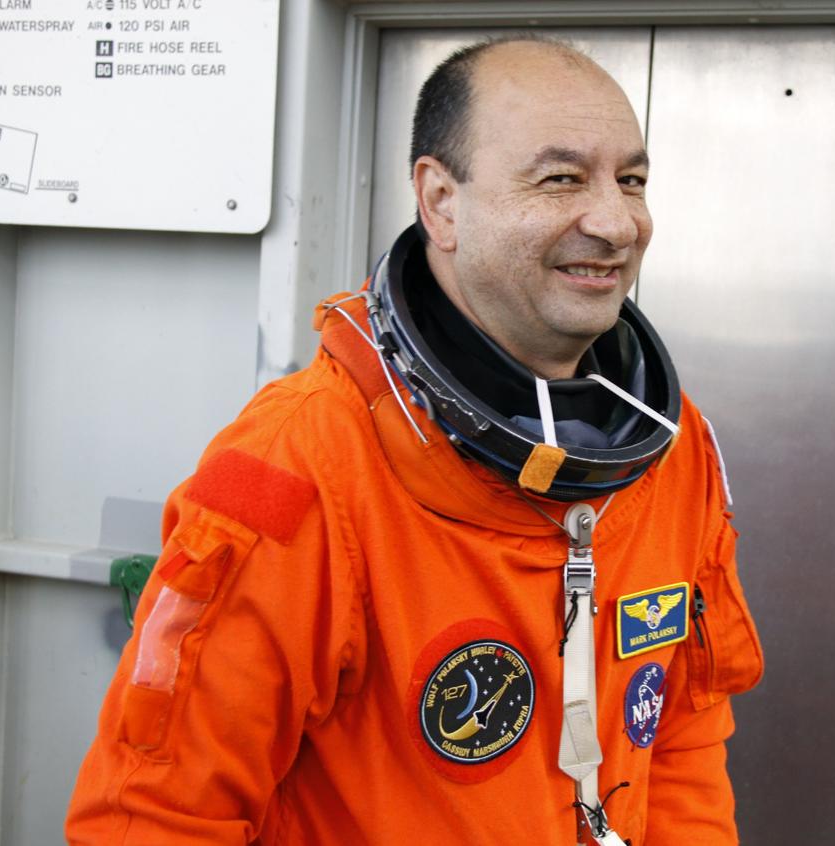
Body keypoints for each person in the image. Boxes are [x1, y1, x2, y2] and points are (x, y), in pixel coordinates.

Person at [66, 35, 763, 845]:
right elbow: (155, 817)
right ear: (440, 202)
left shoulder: (673, 449)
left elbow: (681, 733)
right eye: (561, 178)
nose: (615, 221)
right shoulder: (296, 470)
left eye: (631, 181)